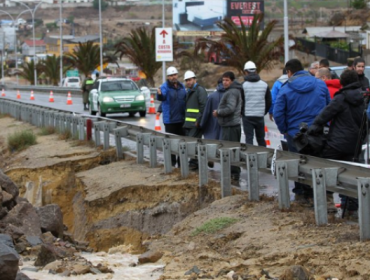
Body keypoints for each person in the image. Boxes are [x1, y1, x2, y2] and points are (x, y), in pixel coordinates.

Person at [309, 70, 365, 213]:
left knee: (325, 170)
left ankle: (328, 204)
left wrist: (314, 128)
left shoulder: (341, 98)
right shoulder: (363, 97)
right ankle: (351, 207)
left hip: (337, 143)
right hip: (356, 144)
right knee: (350, 175)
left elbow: (325, 115)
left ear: (342, 82)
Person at [274, 58, 330, 198]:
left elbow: (278, 113)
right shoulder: (320, 84)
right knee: (317, 163)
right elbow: (329, 108)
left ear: (289, 72)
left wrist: (284, 129)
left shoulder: (285, 88)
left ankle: (301, 193)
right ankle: (318, 194)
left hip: (295, 134)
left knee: (298, 164)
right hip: (317, 132)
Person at [213, 71, 242, 182]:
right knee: (230, 150)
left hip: (231, 126)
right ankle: (232, 173)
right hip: (230, 125)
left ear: (232, 81)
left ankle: (234, 174)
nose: (224, 82)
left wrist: (218, 112)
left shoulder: (232, 92)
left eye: (227, 80)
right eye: (223, 80)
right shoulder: (232, 91)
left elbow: (230, 108)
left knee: (231, 151)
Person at [157, 66, 187, 167]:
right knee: (171, 143)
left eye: (174, 75)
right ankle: (171, 163)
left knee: (181, 143)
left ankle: (181, 163)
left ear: (177, 75)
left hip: (181, 119)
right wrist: (160, 95)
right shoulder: (164, 87)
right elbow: (162, 96)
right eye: (171, 75)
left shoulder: (181, 86)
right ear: (168, 77)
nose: (173, 77)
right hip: (170, 120)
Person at [242, 61, 271, 146]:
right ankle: (264, 157)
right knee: (261, 139)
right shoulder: (264, 85)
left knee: (249, 139)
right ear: (255, 71)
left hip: (247, 116)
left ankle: (249, 158)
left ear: (246, 72)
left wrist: (242, 112)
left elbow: (241, 101)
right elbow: (269, 101)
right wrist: (263, 111)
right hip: (259, 116)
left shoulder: (243, 85)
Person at [183, 70, 208, 170]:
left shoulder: (200, 90)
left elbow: (203, 107)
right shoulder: (190, 91)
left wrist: (198, 120)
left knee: (192, 144)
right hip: (189, 123)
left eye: (189, 80)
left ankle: (194, 163)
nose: (188, 82)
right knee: (193, 143)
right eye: (186, 80)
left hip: (195, 123)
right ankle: (196, 162)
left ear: (194, 79)